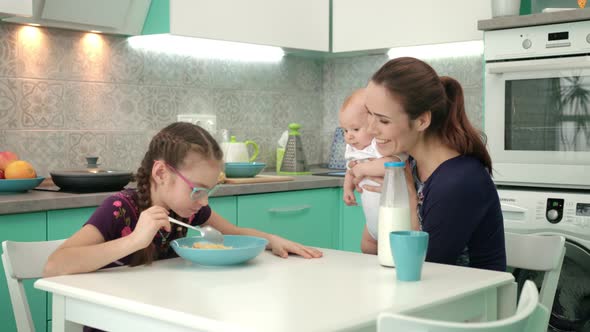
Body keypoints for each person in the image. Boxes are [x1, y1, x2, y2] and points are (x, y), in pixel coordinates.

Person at [44, 122, 323, 279]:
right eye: (197, 189)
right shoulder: (120, 210)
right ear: (162, 173)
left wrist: (271, 240)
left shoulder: (189, 213)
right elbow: (55, 265)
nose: (203, 201)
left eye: (209, 191)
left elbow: (233, 234)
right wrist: (134, 240)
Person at [356, 57, 506, 271]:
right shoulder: (411, 168)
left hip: (471, 300)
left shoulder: (458, 182)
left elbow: (420, 269)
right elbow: (375, 250)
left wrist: (407, 197)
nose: (370, 129)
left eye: (383, 120)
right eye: (369, 114)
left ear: (422, 121)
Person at [338, 88, 402, 253]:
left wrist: (363, 168)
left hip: (392, 221)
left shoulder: (380, 145)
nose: (349, 136)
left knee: (391, 255)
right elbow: (350, 171)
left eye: (355, 129)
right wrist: (347, 188)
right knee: (366, 247)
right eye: (345, 130)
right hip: (371, 223)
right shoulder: (353, 150)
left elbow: (392, 163)